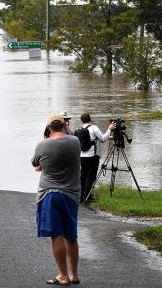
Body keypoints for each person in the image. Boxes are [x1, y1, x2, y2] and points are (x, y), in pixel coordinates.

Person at [32, 113, 81, 286]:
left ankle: (62, 275)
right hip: (71, 195)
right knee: (71, 236)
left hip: (49, 195)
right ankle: (73, 275)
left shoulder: (42, 145)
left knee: (56, 235)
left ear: (48, 128)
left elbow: (35, 163)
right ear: (64, 125)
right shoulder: (75, 142)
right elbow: (68, 137)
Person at [79, 113, 116, 202]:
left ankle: (80, 196)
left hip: (82, 156)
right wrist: (109, 129)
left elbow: (96, 139)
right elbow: (102, 139)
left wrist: (109, 137)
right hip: (93, 156)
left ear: (82, 120)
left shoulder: (80, 130)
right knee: (91, 176)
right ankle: (87, 196)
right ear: (90, 119)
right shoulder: (94, 128)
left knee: (83, 176)